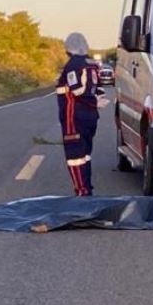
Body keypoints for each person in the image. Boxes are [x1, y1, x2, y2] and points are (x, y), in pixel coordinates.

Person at [56, 32, 102, 197]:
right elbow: (98, 89)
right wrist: (96, 102)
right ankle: (87, 188)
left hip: (73, 117)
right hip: (91, 117)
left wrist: (92, 101)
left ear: (68, 49)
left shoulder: (73, 66)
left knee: (75, 157)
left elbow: (77, 91)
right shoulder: (92, 64)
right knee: (85, 155)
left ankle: (82, 192)